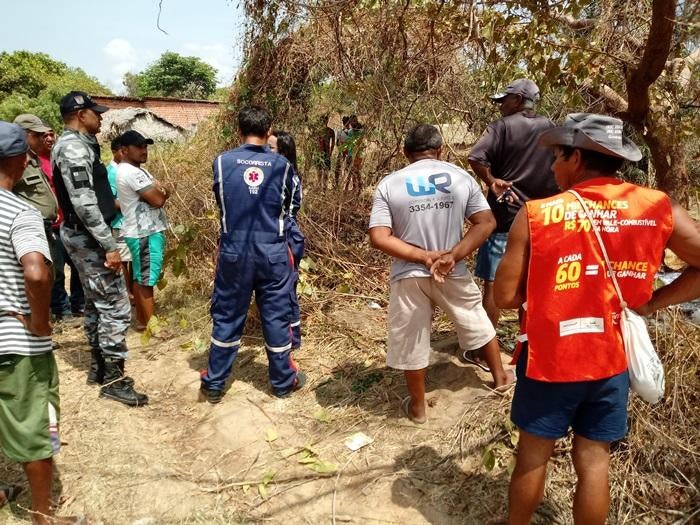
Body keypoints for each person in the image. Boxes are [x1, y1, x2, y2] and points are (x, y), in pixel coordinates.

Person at [494, 113, 700, 525]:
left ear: (575, 157)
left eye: (556, 156)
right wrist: (652, 302)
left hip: (550, 359)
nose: (552, 167)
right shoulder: (659, 207)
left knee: (534, 454)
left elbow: (503, 296)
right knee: (593, 459)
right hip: (612, 359)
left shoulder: (537, 214)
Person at [369, 123, 514, 424]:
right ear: (440, 150)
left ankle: (419, 408)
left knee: (412, 336)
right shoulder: (460, 177)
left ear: (405, 152)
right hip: (452, 270)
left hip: (408, 273)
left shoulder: (389, 184)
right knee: (475, 317)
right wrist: (452, 256)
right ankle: (500, 378)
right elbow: (485, 223)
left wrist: (422, 256)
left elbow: (379, 236)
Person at [200, 106, 306, 404]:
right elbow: (292, 207)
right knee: (276, 315)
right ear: (269, 130)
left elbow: (222, 202)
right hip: (273, 251)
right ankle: (283, 382)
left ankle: (215, 383)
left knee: (228, 314)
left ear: (239, 129)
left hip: (234, 249)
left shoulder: (222, 162)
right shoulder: (283, 166)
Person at [52, 91, 147, 406]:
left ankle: (98, 367)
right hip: (90, 237)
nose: (101, 117)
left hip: (83, 235)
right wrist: (108, 244)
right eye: (96, 113)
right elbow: (83, 203)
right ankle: (114, 379)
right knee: (116, 306)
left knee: (95, 302)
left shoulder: (79, 146)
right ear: (80, 115)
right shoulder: (72, 149)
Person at [468, 79, 559, 358]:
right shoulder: (552, 129)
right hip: (542, 219)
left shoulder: (501, 127)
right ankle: (527, 345)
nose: (501, 106)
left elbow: (476, 157)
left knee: (494, 283)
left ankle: (486, 350)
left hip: (506, 217)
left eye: (504, 100)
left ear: (518, 100)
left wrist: (492, 179)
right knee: (532, 283)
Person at [0, 121, 60, 525]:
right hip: (16, 342)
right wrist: (39, 322)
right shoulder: (20, 211)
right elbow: (36, 272)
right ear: (23, 160)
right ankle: (43, 516)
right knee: (38, 424)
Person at [116, 130, 168, 329]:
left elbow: (159, 194)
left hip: (141, 230)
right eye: (138, 146)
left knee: (140, 277)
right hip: (144, 231)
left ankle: (141, 321)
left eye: (145, 146)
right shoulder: (132, 173)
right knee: (145, 281)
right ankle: (151, 328)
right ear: (124, 150)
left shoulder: (134, 170)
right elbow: (158, 198)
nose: (144, 150)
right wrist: (161, 192)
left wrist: (160, 192)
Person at [268, 130, 304, 350]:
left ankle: (292, 338)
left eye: (270, 148)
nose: (265, 151)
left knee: (287, 287)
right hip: (278, 232)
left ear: (282, 152)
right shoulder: (276, 172)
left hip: (286, 233)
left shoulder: (285, 174)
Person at [106, 135, 133, 300]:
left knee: (131, 260)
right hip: (120, 223)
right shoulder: (111, 174)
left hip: (129, 222)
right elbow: (111, 201)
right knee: (122, 260)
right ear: (115, 152)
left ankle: (130, 291)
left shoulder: (126, 169)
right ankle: (126, 293)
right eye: (122, 151)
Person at [313, 115, 335, 188]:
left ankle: (324, 188)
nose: (324, 122)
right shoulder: (317, 131)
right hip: (319, 153)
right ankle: (320, 186)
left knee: (325, 171)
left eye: (325, 120)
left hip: (325, 153)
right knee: (319, 171)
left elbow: (333, 143)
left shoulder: (330, 131)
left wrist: (330, 152)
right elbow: (314, 142)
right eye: (323, 120)